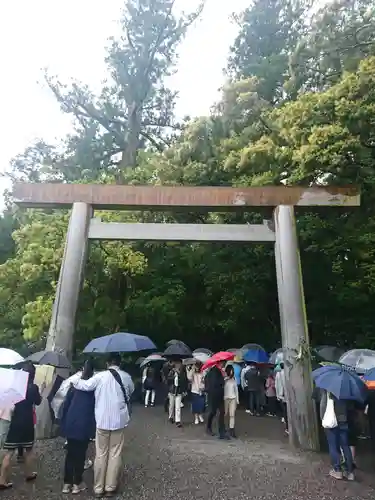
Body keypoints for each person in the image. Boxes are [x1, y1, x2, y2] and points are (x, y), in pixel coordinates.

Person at [73, 353, 134, 498]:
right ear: (120, 363)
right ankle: (110, 487)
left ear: (107, 363)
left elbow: (84, 385)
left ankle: (98, 488)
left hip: (102, 420)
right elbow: (131, 391)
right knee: (115, 453)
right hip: (119, 420)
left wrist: (76, 377)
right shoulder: (126, 377)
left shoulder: (100, 376)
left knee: (101, 453)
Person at [0, 362, 42, 490]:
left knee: (9, 452)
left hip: (15, 422)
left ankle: (2, 480)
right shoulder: (33, 387)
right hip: (27, 423)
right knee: (28, 450)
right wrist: (43, 389)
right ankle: (29, 474)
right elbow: (38, 402)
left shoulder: (15, 387)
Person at [61, 360, 96, 494]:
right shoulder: (92, 388)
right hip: (84, 425)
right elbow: (94, 410)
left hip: (71, 423)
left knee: (70, 454)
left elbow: (66, 406)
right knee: (80, 455)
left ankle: (66, 483)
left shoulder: (74, 386)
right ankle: (77, 483)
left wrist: (64, 424)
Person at [314, 388, 355, 481]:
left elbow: (323, 405)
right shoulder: (345, 389)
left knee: (333, 446)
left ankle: (337, 471)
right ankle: (349, 472)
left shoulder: (327, 389)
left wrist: (322, 419)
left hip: (331, 421)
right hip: (343, 420)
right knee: (345, 446)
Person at [205, 361, 228, 439]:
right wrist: (223, 380)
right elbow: (215, 383)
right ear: (219, 363)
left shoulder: (219, 371)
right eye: (222, 363)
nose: (223, 365)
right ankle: (208, 428)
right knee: (213, 412)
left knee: (221, 412)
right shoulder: (214, 371)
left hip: (219, 395)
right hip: (214, 396)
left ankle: (221, 431)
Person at [167, 361, 187, 428]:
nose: (179, 366)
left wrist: (184, 390)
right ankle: (170, 417)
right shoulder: (171, 372)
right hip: (172, 391)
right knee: (171, 406)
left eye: (180, 365)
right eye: (178, 365)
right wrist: (173, 377)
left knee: (178, 407)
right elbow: (168, 380)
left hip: (179, 391)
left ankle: (178, 421)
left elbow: (184, 381)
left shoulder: (182, 373)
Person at [224, 365, 239, 438]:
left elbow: (236, 390)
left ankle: (232, 429)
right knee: (225, 414)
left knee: (232, 414)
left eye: (232, 371)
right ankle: (223, 428)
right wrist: (225, 379)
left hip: (233, 398)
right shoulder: (224, 379)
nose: (231, 372)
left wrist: (237, 400)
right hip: (225, 399)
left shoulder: (234, 379)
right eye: (230, 370)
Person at [275, 363, 288, 435]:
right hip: (288, 394)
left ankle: (286, 425)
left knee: (284, 410)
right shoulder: (289, 374)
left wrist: (277, 395)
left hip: (281, 394)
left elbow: (276, 385)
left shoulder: (278, 374)